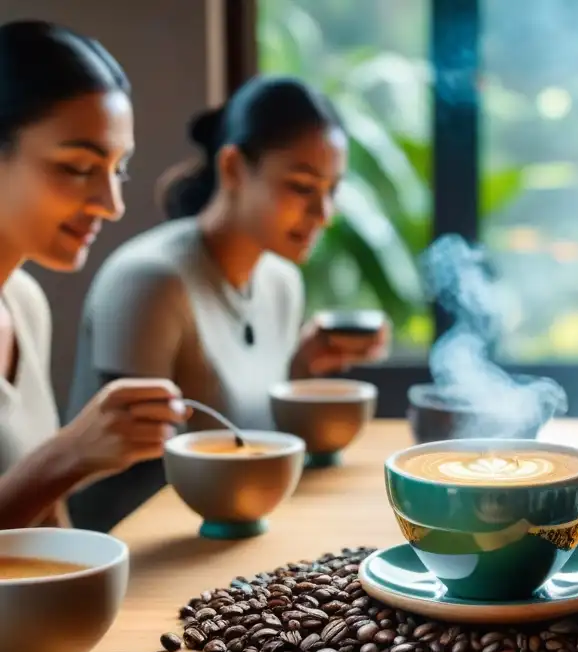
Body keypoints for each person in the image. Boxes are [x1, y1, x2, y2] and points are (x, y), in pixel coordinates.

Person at [66, 75, 389, 532]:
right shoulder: (151, 281)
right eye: (301, 186)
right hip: (134, 547)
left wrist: (301, 369)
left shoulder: (280, 281)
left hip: (230, 531)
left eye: (332, 190)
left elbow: (246, 437)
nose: (323, 214)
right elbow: (129, 470)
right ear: (234, 168)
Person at [0, 20, 184, 530]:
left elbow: (46, 532)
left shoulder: (24, 303)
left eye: (118, 168)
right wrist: (67, 456)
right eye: (79, 168)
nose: (112, 204)